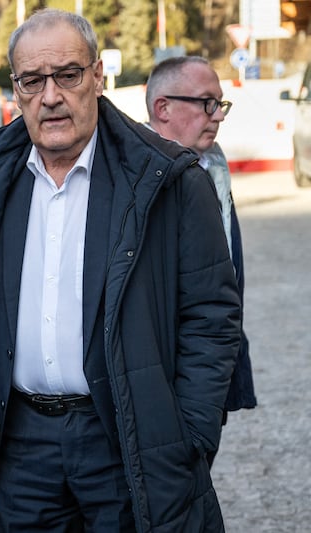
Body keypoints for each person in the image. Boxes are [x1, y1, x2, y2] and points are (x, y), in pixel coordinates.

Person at [0, 9, 242, 532]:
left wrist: (188, 435)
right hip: (23, 449)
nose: (50, 96)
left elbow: (212, 318)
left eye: (68, 75)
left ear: (98, 76)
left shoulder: (168, 179)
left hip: (125, 439)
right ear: (15, 89)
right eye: (32, 81)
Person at [145, 56, 257, 468]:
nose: (218, 116)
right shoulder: (132, 175)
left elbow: (223, 287)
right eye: (207, 103)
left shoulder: (213, 165)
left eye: (220, 104)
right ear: (163, 108)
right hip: (158, 387)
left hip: (207, 380)